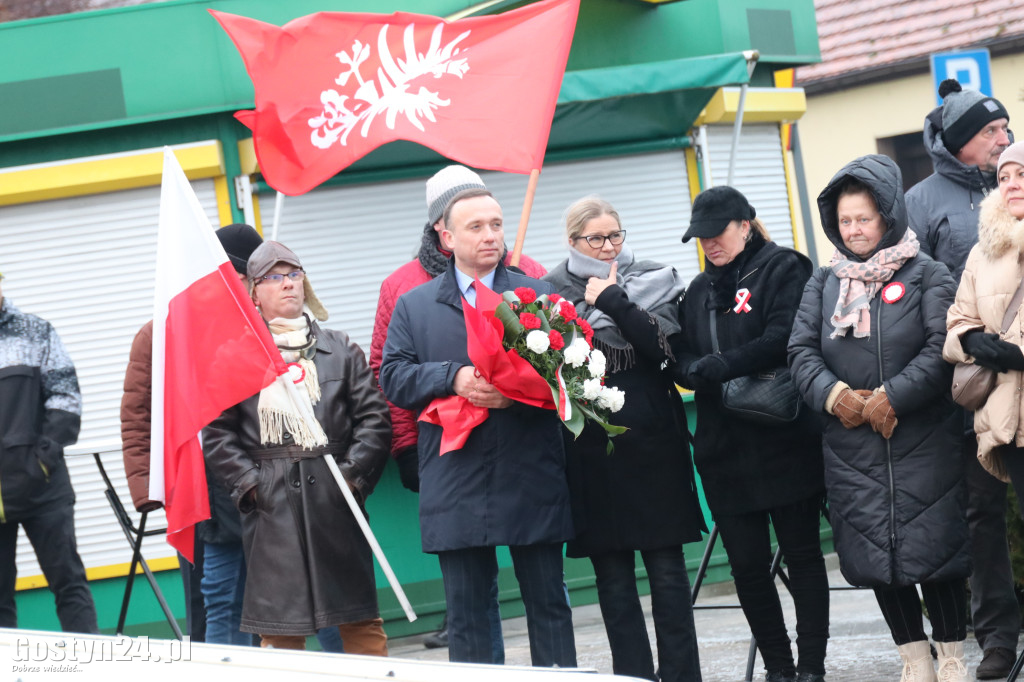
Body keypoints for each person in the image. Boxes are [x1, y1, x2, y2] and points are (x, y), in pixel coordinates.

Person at [379, 188, 577, 667]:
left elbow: (572, 376)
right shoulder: (415, 305)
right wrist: (453, 377)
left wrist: (518, 392)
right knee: (468, 612)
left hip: (530, 464)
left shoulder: (538, 295)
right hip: (456, 470)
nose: (490, 235)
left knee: (548, 601)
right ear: (445, 237)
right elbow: (393, 378)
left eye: (496, 224)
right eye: (475, 227)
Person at [790, 154, 969, 682]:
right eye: (845, 220)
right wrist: (837, 397)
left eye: (864, 218)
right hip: (853, 445)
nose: (854, 229)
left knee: (935, 548)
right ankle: (914, 661)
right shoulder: (825, 283)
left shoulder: (928, 273)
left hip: (923, 436)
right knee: (880, 557)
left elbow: (942, 345)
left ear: (888, 215)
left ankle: (953, 657)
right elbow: (801, 352)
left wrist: (893, 396)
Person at [543, 196, 705, 682]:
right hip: (592, 448)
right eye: (596, 239)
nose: (609, 247)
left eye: (616, 235)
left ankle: (682, 675)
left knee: (668, 572)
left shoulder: (655, 278)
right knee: (612, 580)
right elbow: (550, 369)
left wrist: (612, 300)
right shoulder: (548, 293)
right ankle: (632, 675)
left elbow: (661, 357)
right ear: (573, 242)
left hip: (655, 439)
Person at [202, 240, 391, 653]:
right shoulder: (234, 356)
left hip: (335, 500)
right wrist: (253, 486)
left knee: (359, 620)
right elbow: (216, 434)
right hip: (273, 508)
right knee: (280, 627)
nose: (287, 284)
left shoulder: (340, 349)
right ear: (254, 291)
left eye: (294, 274)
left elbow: (374, 419)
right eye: (274, 277)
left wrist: (352, 478)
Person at [672, 185, 828, 682]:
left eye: (718, 233)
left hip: (783, 438)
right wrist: (691, 367)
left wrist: (724, 364)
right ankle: (779, 668)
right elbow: (683, 356)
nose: (709, 244)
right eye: (701, 237)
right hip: (724, 450)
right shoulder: (697, 290)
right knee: (747, 568)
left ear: (745, 224)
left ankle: (811, 668)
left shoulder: (786, 267)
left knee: (803, 556)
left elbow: (786, 336)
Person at [905, 79, 1016, 681]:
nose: (1004, 139)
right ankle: (998, 635)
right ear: (960, 143)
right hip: (967, 380)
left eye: (1005, 129)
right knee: (982, 512)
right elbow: (921, 294)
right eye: (990, 132)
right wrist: (963, 343)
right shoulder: (920, 202)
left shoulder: (1020, 180)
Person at [122, 223, 263, 646]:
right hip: (196, 492)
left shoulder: (262, 328)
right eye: (241, 277)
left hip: (262, 487)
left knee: (267, 602)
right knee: (209, 604)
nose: (246, 287)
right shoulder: (159, 333)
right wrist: (148, 486)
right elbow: (136, 415)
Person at [0, 270, 98, 633]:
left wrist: (41, 458)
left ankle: (89, 669)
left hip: (43, 488)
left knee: (69, 584)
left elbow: (66, 397)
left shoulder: (34, 331)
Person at [946, 143, 1024, 526]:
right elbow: (958, 317)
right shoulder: (983, 252)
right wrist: (970, 340)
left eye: (1021, 174)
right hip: (1008, 416)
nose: (1011, 184)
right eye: (1004, 177)